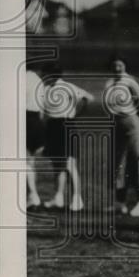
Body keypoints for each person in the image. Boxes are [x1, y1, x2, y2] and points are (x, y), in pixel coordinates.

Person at [40, 63, 94, 212]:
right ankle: (58, 198)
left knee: (70, 164)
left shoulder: (66, 86)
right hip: (52, 127)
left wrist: (75, 114)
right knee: (57, 165)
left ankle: (77, 199)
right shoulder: (46, 88)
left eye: (45, 73)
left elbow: (88, 97)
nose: (42, 76)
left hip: (66, 126)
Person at [103, 55, 139, 217]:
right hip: (116, 126)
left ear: (125, 66)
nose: (117, 69)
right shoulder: (109, 83)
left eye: (120, 65)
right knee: (118, 164)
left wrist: (135, 120)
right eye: (114, 66)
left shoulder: (131, 82)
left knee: (137, 161)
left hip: (133, 125)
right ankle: (120, 203)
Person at [25, 67, 45, 210]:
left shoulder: (20, 79)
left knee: (24, 161)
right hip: (37, 121)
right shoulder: (38, 80)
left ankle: (33, 196)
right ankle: (31, 196)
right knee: (30, 162)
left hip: (26, 119)